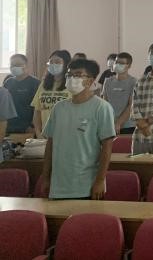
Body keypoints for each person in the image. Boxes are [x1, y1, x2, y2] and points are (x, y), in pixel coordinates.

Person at [41, 58, 116, 200]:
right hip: (58, 184)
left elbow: (107, 147)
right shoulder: (59, 108)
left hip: (86, 185)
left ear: (90, 80)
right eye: (69, 75)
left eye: (77, 75)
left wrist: (100, 181)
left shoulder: (102, 107)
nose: (71, 79)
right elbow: (50, 144)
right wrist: (45, 177)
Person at [32, 50, 72, 138]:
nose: (53, 64)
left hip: (66, 135)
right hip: (45, 135)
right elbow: (37, 111)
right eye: (51, 62)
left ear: (66, 64)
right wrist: (38, 132)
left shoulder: (72, 84)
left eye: (57, 62)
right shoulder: (43, 84)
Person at [101, 52, 137, 135]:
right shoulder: (108, 81)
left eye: (122, 63)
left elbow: (131, 106)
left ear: (129, 66)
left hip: (128, 126)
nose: (118, 65)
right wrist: (110, 122)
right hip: (110, 124)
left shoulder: (133, 82)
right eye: (116, 62)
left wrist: (118, 123)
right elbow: (105, 104)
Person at [4, 54, 39, 134]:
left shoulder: (35, 83)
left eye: (18, 65)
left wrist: (33, 126)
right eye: (12, 65)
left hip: (27, 128)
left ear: (26, 65)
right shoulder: (8, 82)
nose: (14, 67)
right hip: (8, 127)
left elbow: (38, 108)